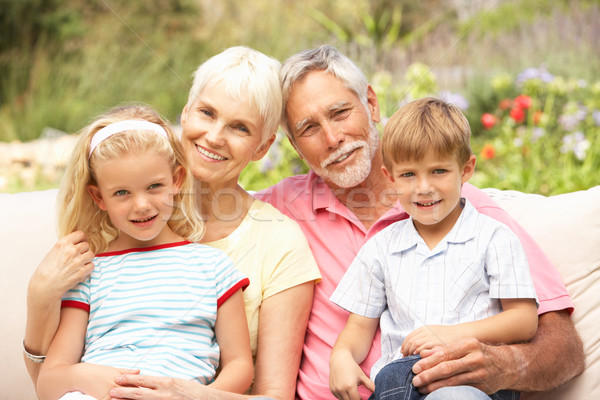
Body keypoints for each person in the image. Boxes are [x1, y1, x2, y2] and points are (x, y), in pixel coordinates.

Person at [254, 45, 584, 399]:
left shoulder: (469, 213)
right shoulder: (277, 208)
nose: (333, 138)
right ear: (293, 145)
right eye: (308, 128)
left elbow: (563, 345)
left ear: (372, 104)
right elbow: (198, 202)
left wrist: (502, 364)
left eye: (340, 112)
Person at [24, 47, 321, 400]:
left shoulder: (273, 243)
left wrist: (188, 395)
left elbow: (268, 390)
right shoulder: (102, 239)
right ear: (186, 112)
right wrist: (39, 294)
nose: (213, 136)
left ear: (262, 147)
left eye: (240, 127)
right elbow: (50, 381)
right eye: (207, 113)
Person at [35, 104, 253, 400]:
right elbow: (49, 381)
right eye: (121, 192)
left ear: (176, 180)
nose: (141, 205)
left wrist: (197, 396)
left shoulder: (214, 266)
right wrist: (93, 377)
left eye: (154, 186)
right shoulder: (88, 274)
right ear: (99, 197)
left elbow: (240, 365)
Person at [328, 97, 539, 400]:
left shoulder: (494, 237)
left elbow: (523, 319)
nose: (423, 187)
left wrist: (451, 334)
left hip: (471, 376)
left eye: (439, 171)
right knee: (392, 377)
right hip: (400, 382)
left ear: (466, 169)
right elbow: (359, 327)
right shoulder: (381, 247)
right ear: (390, 178)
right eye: (408, 175)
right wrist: (342, 356)